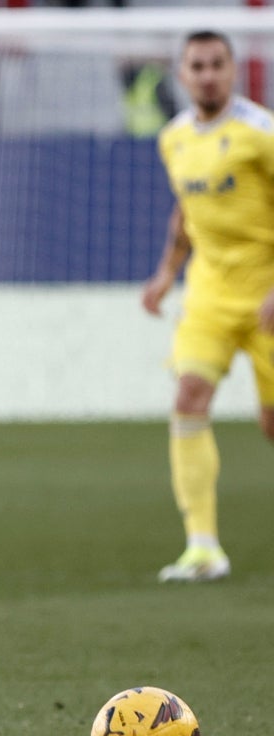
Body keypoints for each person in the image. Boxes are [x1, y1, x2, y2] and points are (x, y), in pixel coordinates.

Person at [141, 30, 274, 582]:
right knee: (189, 396)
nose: (207, 75)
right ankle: (202, 547)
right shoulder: (173, 139)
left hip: (267, 294)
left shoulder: (261, 133)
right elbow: (186, 212)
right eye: (197, 66)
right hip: (211, 295)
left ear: (233, 70)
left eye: (217, 64)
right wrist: (165, 275)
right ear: (182, 74)